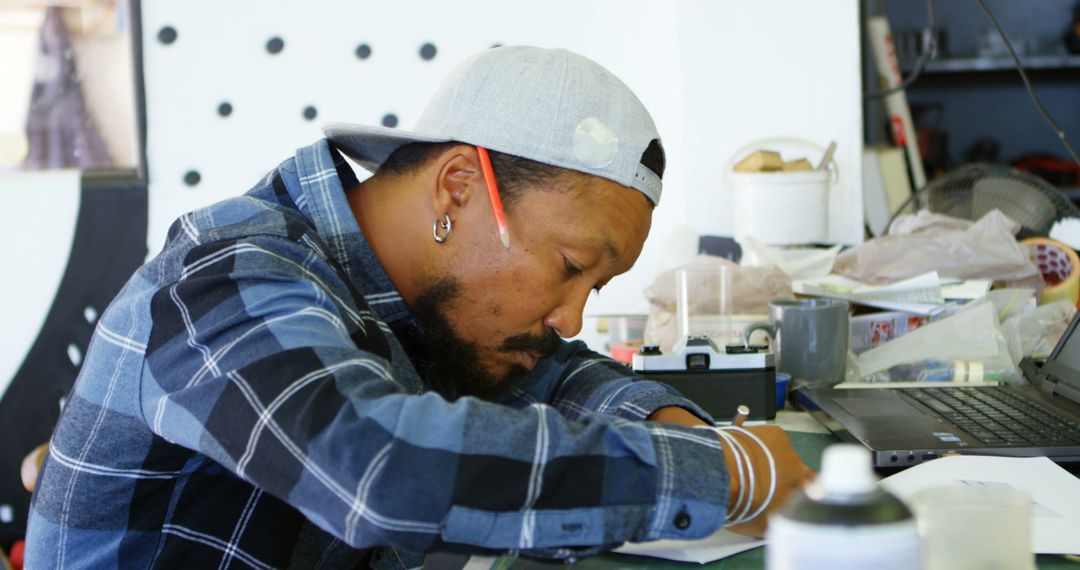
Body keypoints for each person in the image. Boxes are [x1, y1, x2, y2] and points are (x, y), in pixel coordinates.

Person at [25, 46, 814, 568]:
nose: (571, 316)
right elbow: (379, 464)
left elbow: (559, 373)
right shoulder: (224, 280)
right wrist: (724, 474)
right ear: (457, 189)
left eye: (595, 290)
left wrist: (667, 424)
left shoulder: (421, 306)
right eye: (570, 267)